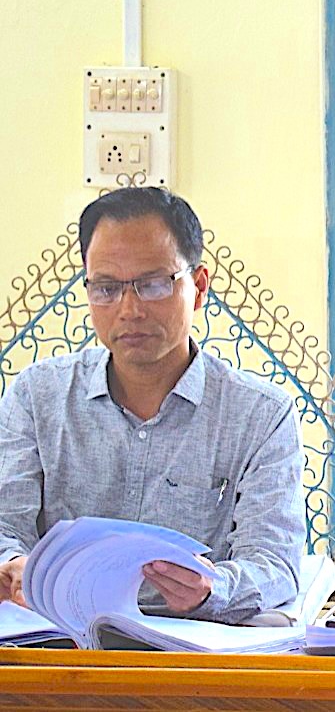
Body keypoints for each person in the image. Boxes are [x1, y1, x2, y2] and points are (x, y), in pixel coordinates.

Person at [0, 187, 305, 624]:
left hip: (191, 649)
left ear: (198, 287)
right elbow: (4, 525)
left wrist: (211, 588)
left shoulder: (261, 415)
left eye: (153, 285)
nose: (129, 309)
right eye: (107, 288)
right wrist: (15, 565)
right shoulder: (36, 397)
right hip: (55, 641)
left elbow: (274, 563)